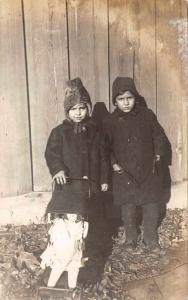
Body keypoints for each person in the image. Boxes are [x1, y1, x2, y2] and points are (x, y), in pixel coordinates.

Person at [40, 77, 109, 289]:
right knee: (66, 226)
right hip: (67, 187)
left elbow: (104, 157)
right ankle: (59, 257)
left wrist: (104, 179)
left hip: (89, 187)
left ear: (87, 109)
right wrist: (57, 169)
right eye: (73, 109)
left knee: (87, 226)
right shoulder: (60, 132)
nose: (78, 112)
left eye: (82, 108)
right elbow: (51, 153)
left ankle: (82, 263)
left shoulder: (96, 133)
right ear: (67, 111)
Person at [103, 77, 167, 252]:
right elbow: (104, 147)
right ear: (115, 101)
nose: (126, 103)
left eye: (129, 98)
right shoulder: (110, 121)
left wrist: (159, 154)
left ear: (135, 98)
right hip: (123, 172)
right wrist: (113, 164)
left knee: (151, 203)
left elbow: (158, 136)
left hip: (148, 168)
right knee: (128, 205)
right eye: (121, 99)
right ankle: (130, 238)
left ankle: (150, 238)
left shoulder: (147, 115)